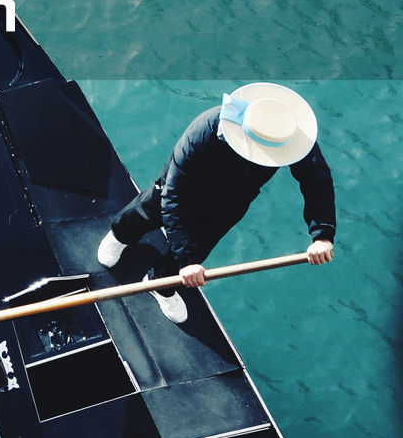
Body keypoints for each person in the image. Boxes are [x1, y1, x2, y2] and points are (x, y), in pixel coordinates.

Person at [97, 83, 335, 324]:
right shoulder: (202, 131)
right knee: (149, 210)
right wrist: (188, 261)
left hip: (230, 202)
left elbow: (317, 180)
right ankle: (120, 235)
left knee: (202, 243)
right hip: (183, 188)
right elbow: (174, 196)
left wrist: (322, 234)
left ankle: (160, 283)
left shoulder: (286, 131)